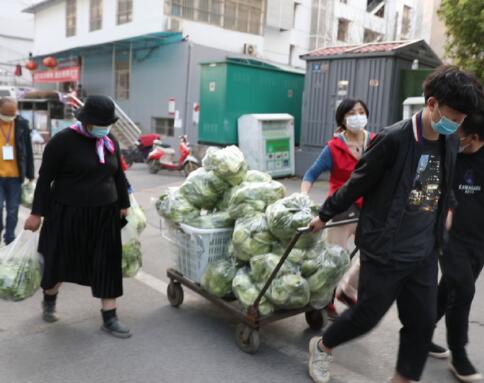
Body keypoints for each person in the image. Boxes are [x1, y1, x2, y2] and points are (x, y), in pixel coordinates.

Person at [306, 65, 482, 383]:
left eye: (462, 120)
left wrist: (450, 209)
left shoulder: (450, 142)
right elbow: (356, 184)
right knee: (366, 317)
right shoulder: (394, 139)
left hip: (424, 250)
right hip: (385, 250)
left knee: (422, 321)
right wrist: (324, 215)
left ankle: (403, 379)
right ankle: (322, 345)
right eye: (453, 117)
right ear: (432, 105)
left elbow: (443, 184)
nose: (457, 125)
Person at [24, 95, 131, 339]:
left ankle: (110, 316)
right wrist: (37, 213)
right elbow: (45, 179)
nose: (105, 128)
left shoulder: (109, 139)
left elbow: (118, 176)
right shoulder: (62, 142)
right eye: (100, 124)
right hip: (66, 213)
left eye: (108, 123)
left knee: (107, 263)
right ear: (87, 121)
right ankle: (49, 299)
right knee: (58, 261)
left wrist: (123, 204)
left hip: (105, 213)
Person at [301, 98, 374, 313]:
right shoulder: (333, 147)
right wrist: (304, 196)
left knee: (374, 254)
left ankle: (349, 289)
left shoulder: (376, 141)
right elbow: (311, 174)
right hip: (340, 210)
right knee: (335, 261)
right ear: (343, 118)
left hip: (369, 208)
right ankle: (326, 300)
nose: (357, 116)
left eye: (361, 111)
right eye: (352, 113)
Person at [429, 110, 484, 382]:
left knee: (449, 288)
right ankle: (458, 354)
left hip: (478, 242)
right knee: (463, 288)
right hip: (450, 237)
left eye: (460, 132)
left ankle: (423, 332)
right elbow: (427, 186)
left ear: (474, 137)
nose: (454, 135)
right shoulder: (446, 150)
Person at [0, 97, 35, 245]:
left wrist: (31, 174)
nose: (9, 117)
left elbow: (28, 149)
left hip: (15, 177)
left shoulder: (22, 124)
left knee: (13, 211)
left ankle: (9, 239)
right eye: (6, 113)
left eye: (12, 114)